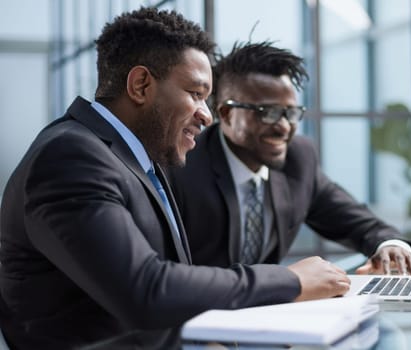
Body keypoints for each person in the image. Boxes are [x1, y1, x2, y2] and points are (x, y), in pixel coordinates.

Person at [0, 9, 350, 350]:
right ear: (140, 85)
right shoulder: (72, 158)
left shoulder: (133, 158)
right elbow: (146, 289)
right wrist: (290, 280)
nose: (207, 116)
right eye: (196, 94)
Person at [168, 41, 411, 276]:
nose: (283, 127)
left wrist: (390, 244)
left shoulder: (299, 159)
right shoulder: (181, 163)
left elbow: (355, 221)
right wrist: (293, 281)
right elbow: (166, 277)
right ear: (225, 114)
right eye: (267, 112)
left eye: (290, 113)